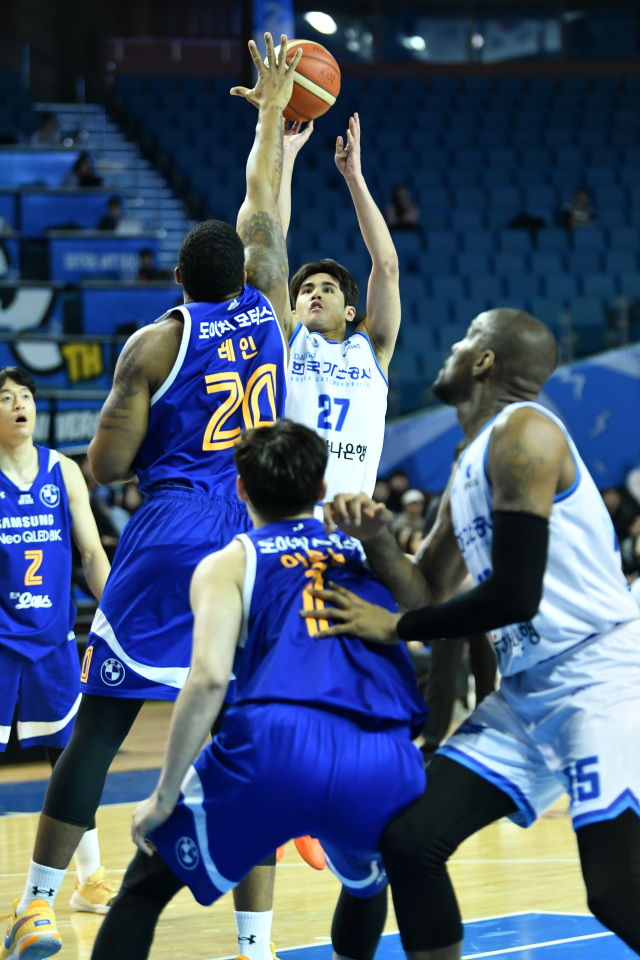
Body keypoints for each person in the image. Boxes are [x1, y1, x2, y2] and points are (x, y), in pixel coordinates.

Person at [1, 33, 300, 960]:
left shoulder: (153, 345)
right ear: (246, 274)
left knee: (100, 726)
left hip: (175, 530)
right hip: (256, 535)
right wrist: (272, 118)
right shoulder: (275, 307)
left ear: (179, 279)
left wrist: (142, 428)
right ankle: (256, 944)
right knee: (250, 737)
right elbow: (263, 213)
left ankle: (37, 906)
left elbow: (102, 466)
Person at [304, 308, 640, 958]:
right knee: (409, 841)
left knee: (614, 888)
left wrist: (397, 627)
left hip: (600, 679)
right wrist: (376, 541)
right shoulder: (470, 461)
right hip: (531, 691)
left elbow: (515, 594)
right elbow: (428, 586)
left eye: (463, 340)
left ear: (483, 360)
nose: (450, 349)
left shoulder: (527, 435)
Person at [87, 419, 428, 960]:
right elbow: (425, 600)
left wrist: (164, 793)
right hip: (381, 752)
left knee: (144, 889)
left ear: (240, 487)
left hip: (275, 747)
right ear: (320, 489)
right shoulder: (360, 552)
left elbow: (208, 680)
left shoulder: (229, 563)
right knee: (367, 884)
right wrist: (382, 540)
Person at [234, 107, 399, 506]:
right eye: (306, 290)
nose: (315, 294)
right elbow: (271, 247)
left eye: (327, 289)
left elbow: (387, 266)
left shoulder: (371, 350)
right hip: (288, 516)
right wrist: (287, 157)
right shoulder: (288, 341)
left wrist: (355, 179)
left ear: (349, 312)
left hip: (348, 525)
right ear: (293, 307)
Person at [0, 367, 113, 929]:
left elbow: (91, 554)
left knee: (67, 757)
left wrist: (113, 613)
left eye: (25, 397)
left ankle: (88, 880)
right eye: (6, 398)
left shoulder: (62, 471)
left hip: (52, 639)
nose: (19, 405)